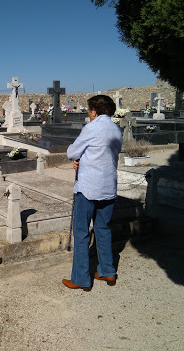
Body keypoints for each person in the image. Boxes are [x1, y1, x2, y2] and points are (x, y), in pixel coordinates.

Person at [62, 95, 123, 291]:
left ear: (94, 111)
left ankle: (81, 279)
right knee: (103, 229)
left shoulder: (92, 128)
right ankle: (107, 271)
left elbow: (72, 152)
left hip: (89, 187)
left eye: (89, 111)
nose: (88, 114)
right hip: (108, 187)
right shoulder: (116, 129)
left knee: (81, 233)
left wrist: (78, 158)